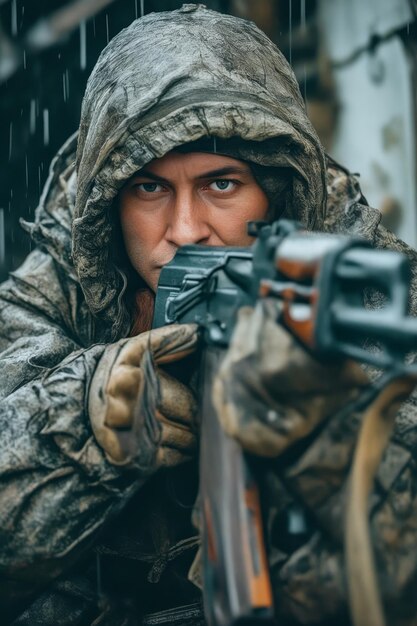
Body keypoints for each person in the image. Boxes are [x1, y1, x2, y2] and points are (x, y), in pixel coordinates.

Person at [1, 4, 417, 625]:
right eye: (149, 188)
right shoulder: (59, 286)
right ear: (112, 203)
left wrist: (326, 436)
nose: (186, 231)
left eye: (221, 184)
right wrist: (89, 426)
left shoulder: (360, 285)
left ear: (275, 194)